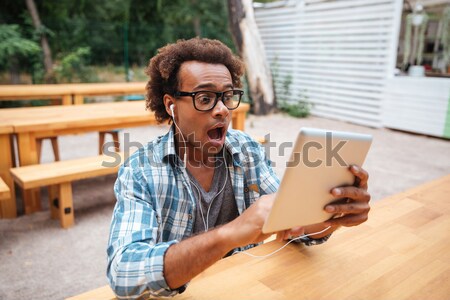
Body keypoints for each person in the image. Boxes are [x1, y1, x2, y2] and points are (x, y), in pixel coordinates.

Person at [106, 37, 371, 298]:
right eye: (205, 97)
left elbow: (291, 225)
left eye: (227, 97)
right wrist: (230, 234)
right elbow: (124, 272)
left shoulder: (247, 150)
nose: (221, 109)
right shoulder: (140, 170)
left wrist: (334, 214)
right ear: (170, 106)